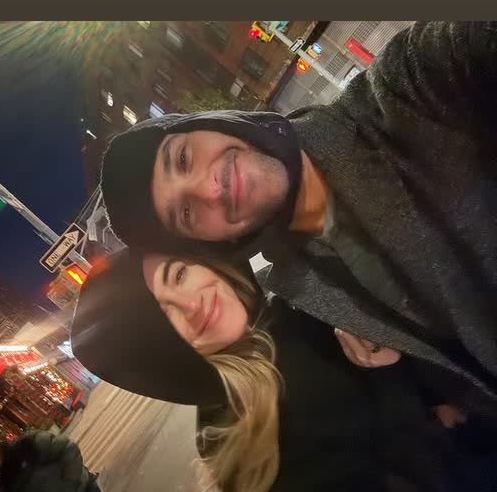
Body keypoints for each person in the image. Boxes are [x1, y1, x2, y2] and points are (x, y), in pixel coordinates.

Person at [100, 22, 497, 424]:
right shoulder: (309, 306)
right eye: (186, 212)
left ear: (211, 123)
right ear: (209, 244)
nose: (209, 187)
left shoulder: (410, 88)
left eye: (183, 158)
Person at [71, 249, 497, 492]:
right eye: (163, 317)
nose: (190, 304)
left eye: (179, 274)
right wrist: (393, 385)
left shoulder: (306, 294)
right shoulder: (237, 435)